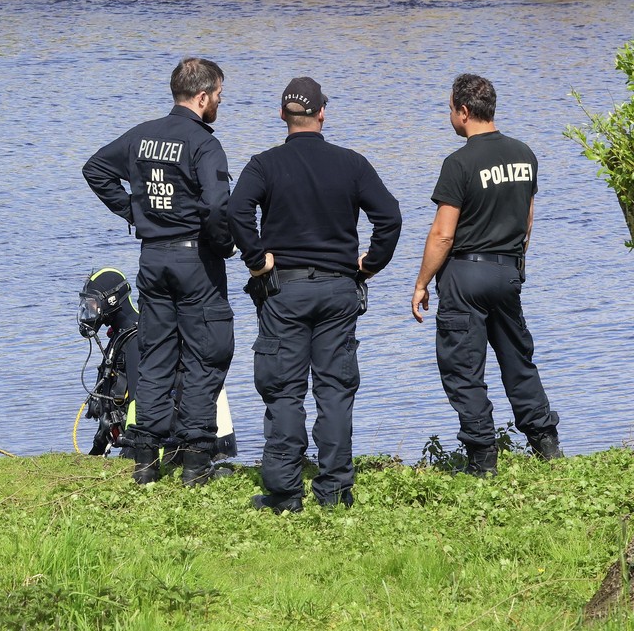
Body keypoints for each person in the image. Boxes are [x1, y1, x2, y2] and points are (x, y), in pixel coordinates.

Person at [228, 78, 402, 513]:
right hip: (340, 290)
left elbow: (235, 210)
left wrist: (256, 259)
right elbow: (390, 216)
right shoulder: (352, 164)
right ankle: (335, 491)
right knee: (335, 390)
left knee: (284, 391)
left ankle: (286, 494)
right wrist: (371, 264)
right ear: (323, 113)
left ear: (282, 115)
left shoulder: (264, 164)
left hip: (284, 291)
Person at [83, 57, 235, 486]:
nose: (220, 103)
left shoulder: (142, 135)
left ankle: (145, 463)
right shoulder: (204, 144)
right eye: (219, 96)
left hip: (152, 258)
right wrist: (224, 244)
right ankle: (196, 464)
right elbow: (218, 205)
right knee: (205, 357)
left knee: (156, 358)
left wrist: (136, 211)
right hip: (195, 261)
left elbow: (95, 168)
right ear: (203, 97)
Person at [412, 73, 562, 475]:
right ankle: (547, 447)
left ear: (463, 111)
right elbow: (527, 220)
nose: (449, 116)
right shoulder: (524, 154)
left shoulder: (458, 162)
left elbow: (443, 235)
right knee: (518, 360)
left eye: (449, 109)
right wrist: (515, 262)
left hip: (465, 275)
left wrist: (422, 282)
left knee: (463, 367)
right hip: (507, 271)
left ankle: (482, 459)